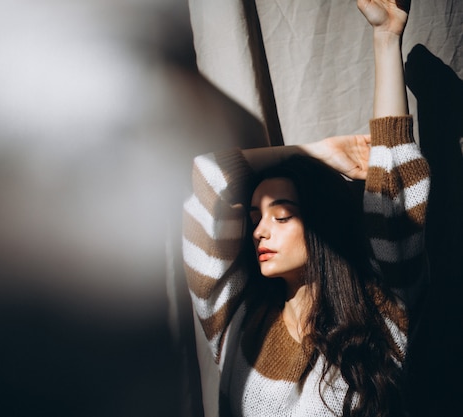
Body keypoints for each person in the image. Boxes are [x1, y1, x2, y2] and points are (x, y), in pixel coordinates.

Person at [182, 1, 430, 416]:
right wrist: (316, 153)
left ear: (320, 224)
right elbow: (206, 178)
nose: (260, 231)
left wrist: (386, 39)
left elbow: (397, 193)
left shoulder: (381, 317)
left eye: (281, 216)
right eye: (257, 219)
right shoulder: (239, 324)